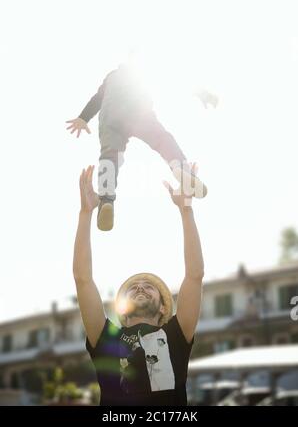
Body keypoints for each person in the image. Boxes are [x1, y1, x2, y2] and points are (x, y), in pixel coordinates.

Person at [73, 165, 204, 406]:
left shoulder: (175, 335)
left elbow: (194, 276)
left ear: (164, 308)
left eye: (148, 286)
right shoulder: (107, 339)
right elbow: (83, 280)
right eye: (134, 287)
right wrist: (85, 213)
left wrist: (186, 211)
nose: (140, 287)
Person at [66, 54, 212, 231]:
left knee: (109, 157)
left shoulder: (112, 76)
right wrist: (203, 94)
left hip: (110, 115)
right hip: (137, 109)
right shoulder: (144, 73)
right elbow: (175, 79)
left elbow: (97, 99)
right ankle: (180, 169)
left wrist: (83, 118)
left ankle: (106, 200)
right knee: (162, 139)